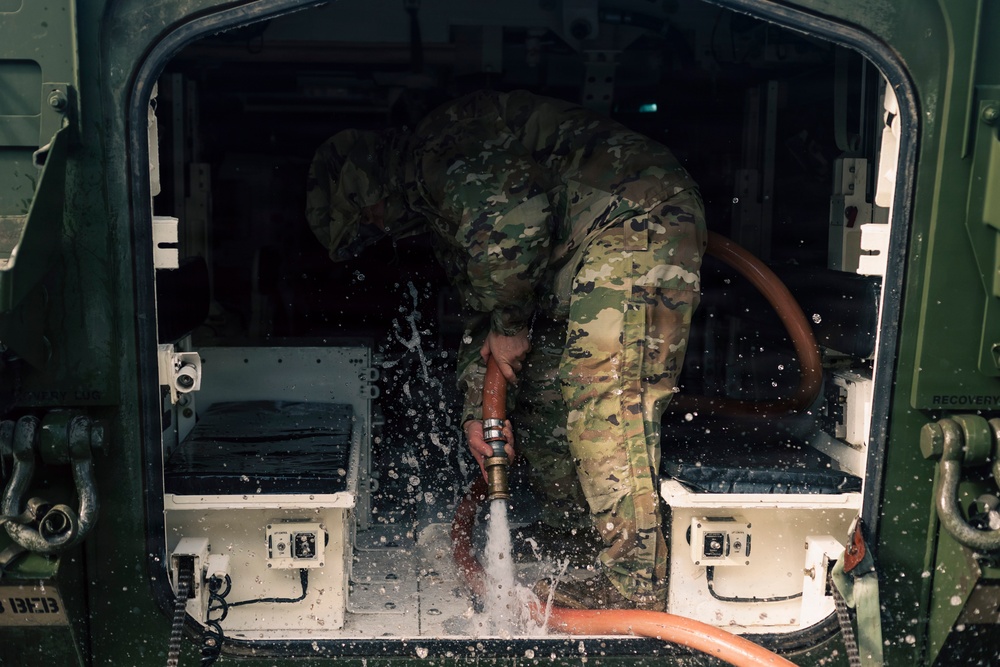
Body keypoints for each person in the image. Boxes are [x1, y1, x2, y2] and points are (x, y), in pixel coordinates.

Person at [305, 89, 707, 611]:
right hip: (585, 250)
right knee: (540, 383)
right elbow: (487, 311)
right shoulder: (438, 201)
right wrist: (480, 412)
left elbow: (520, 225)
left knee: (605, 396)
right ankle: (578, 530)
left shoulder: (440, 151)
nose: (382, 229)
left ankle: (634, 583)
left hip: (633, 222)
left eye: (370, 219)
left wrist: (513, 322)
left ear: (366, 188)